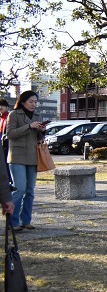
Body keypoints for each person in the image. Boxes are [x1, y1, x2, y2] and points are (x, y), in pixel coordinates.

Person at [6, 91, 46, 232]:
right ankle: (12, 221)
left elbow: (39, 137)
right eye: (31, 101)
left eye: (35, 102)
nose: (33, 104)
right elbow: (10, 134)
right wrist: (29, 126)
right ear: (23, 102)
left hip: (32, 156)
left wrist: (42, 131)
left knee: (30, 191)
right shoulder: (14, 114)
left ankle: (26, 220)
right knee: (20, 189)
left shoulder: (37, 116)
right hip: (17, 156)